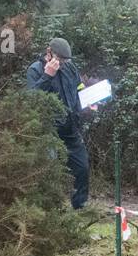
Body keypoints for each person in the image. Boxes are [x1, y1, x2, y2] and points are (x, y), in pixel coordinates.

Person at [26, 37, 90, 209]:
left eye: (65, 60)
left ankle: (80, 207)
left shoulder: (70, 68)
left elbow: (78, 88)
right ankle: (49, 210)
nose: (62, 63)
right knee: (50, 170)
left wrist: (88, 101)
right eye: (60, 59)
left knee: (82, 167)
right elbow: (31, 100)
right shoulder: (35, 70)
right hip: (49, 130)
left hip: (70, 128)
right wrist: (48, 76)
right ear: (49, 53)